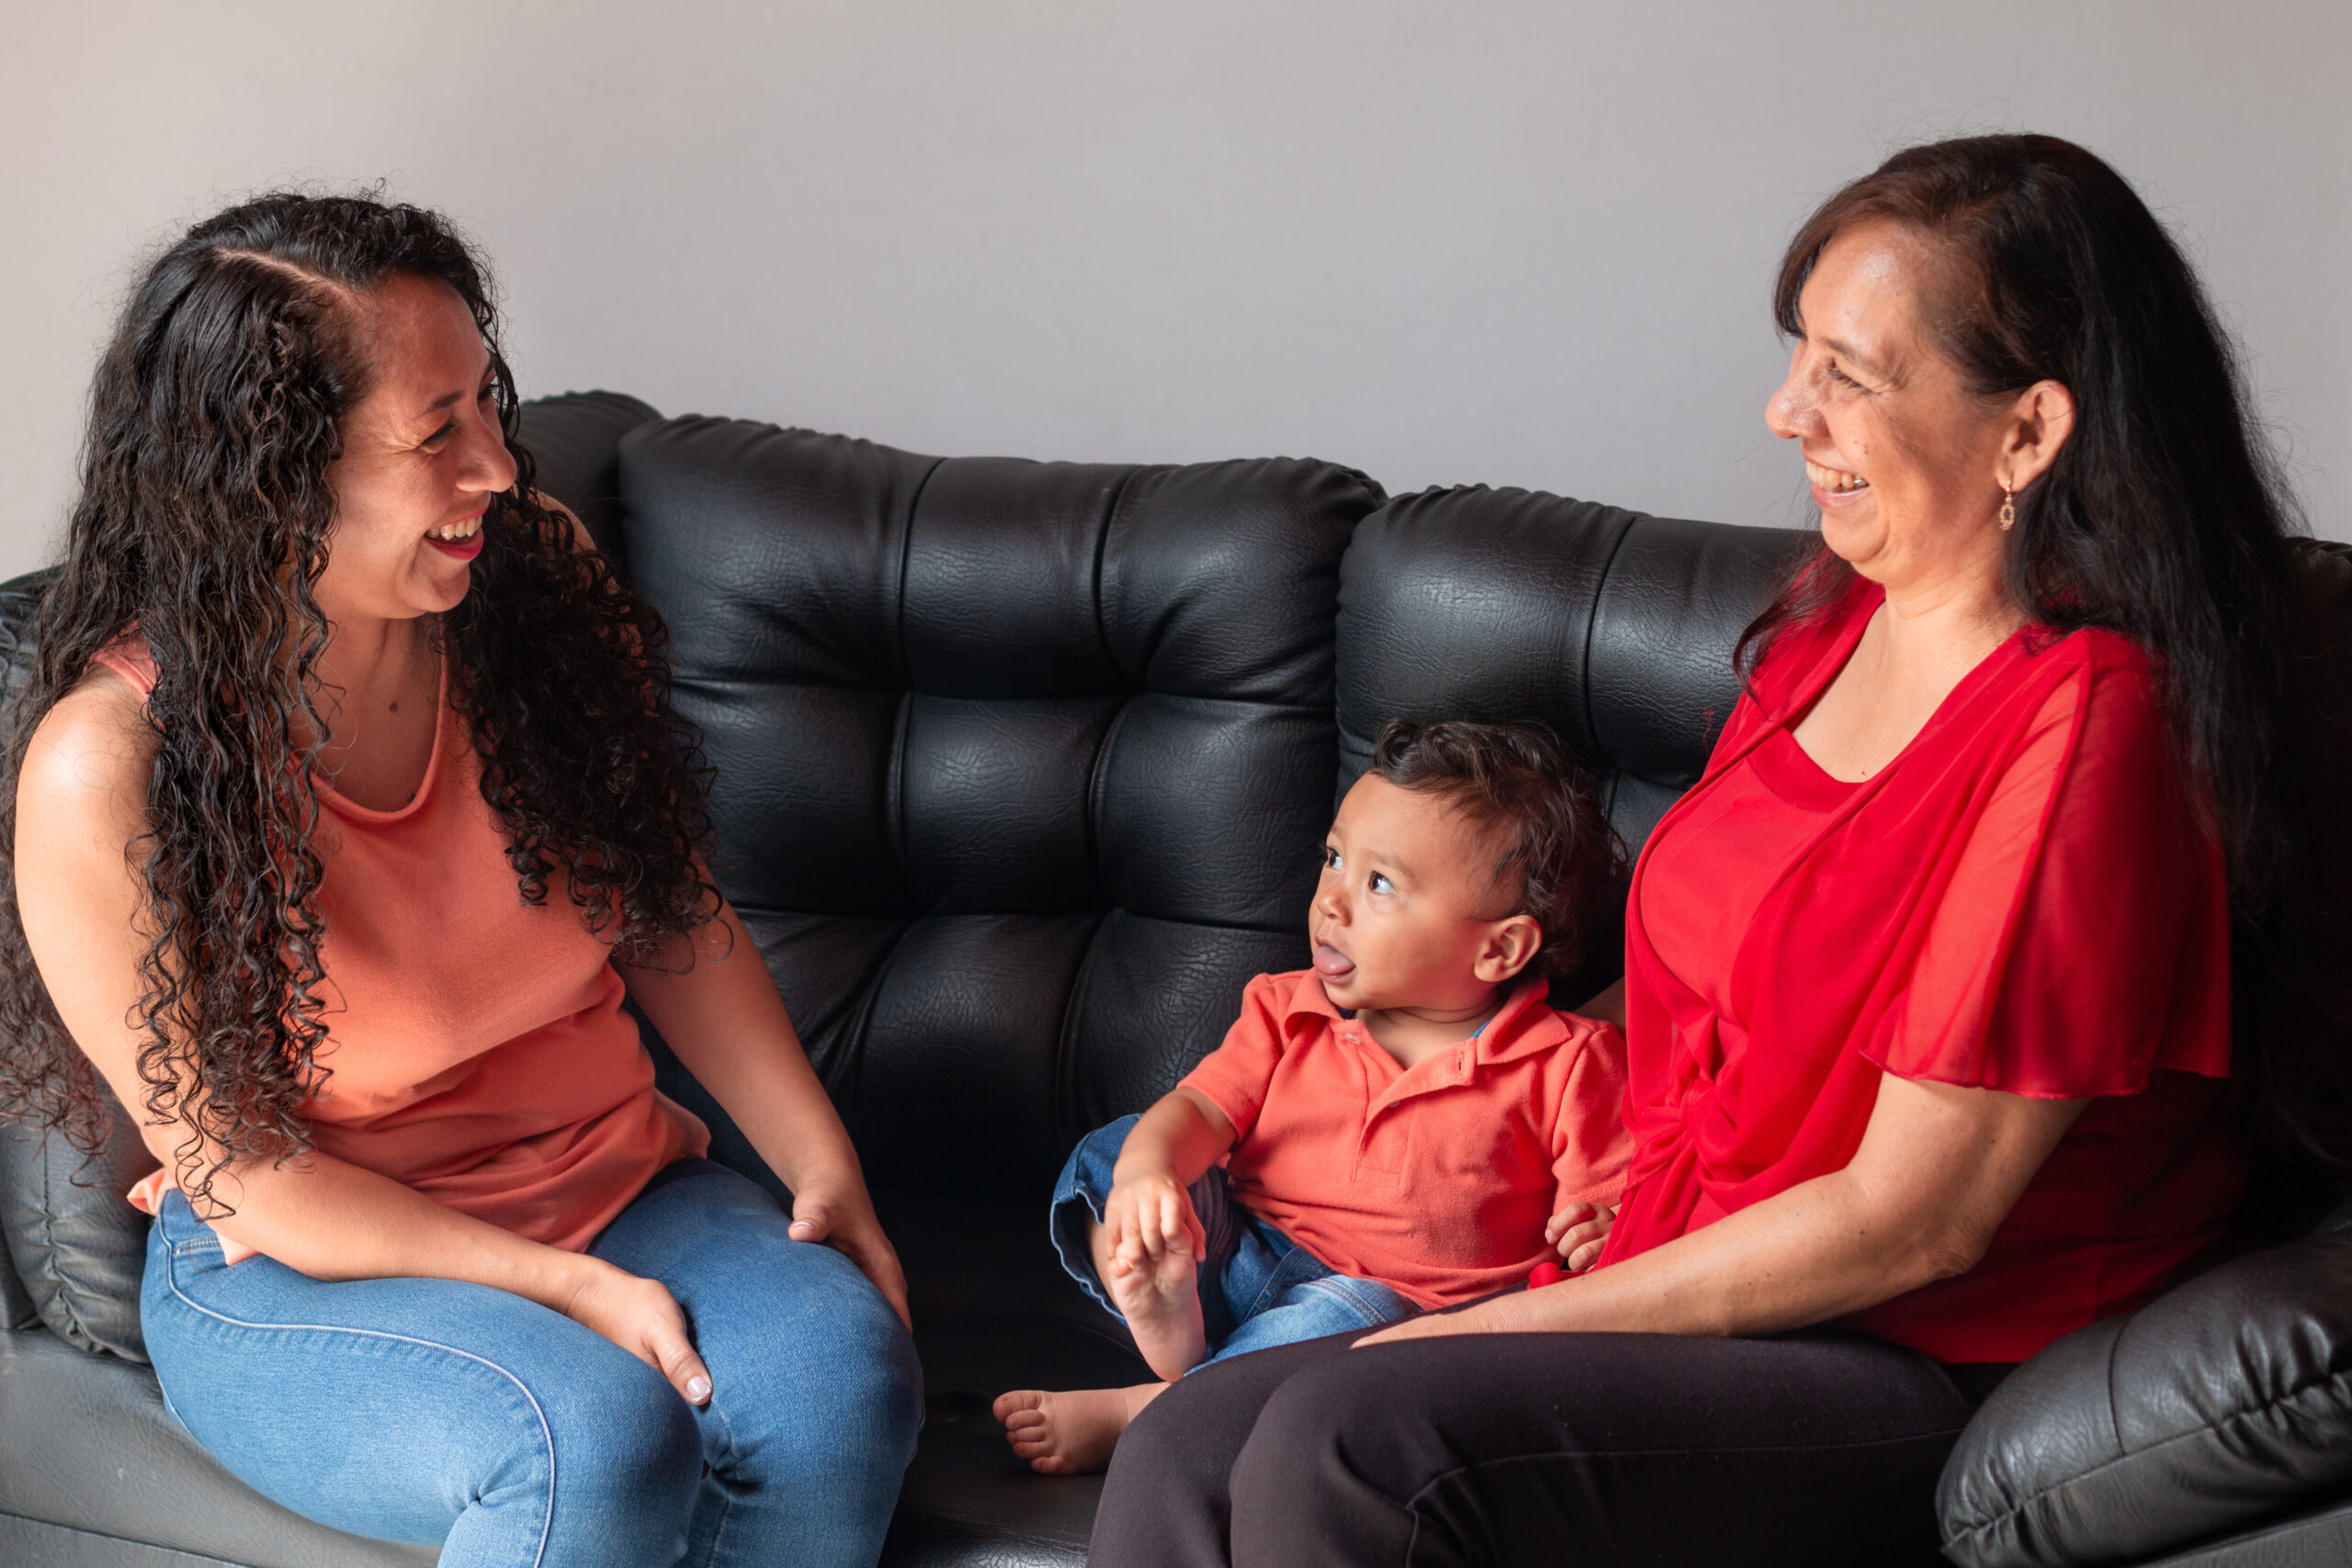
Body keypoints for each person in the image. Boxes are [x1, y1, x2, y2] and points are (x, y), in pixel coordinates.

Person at [1087, 133, 2346, 1568]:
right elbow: (1714, 1015)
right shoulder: (1826, 631)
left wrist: (1482, 1329)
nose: (1785, 410)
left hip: (1910, 1350)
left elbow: (1909, 1222)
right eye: (1798, 353)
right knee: (1202, 1422)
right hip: (1692, 1280)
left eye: (1850, 375)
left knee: (1352, 1430)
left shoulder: (2090, 726)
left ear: (2029, 429)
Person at [0, 195, 921, 1568]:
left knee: (838, 1384)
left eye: (488, 403)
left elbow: (665, 907)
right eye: (437, 432)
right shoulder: (107, 765)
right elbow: (251, 1181)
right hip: (311, 1262)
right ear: (273, 475)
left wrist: (818, 1160)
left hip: (617, 1174)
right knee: (585, 1436)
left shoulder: (531, 577)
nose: (496, 462)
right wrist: (568, 1287)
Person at [994, 719, 1632, 1473]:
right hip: (1232, 1251)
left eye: (1380, 883)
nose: (1331, 900)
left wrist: (1602, 1226)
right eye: (1334, 858)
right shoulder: (1288, 1008)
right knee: (1118, 1150)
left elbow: (1619, 1213)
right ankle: (1160, 1297)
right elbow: (1201, 1110)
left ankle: (1153, 1405)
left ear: (1498, 948)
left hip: (1377, 1306)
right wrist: (1149, 1177)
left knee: (1357, 1327)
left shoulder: (1567, 1063)